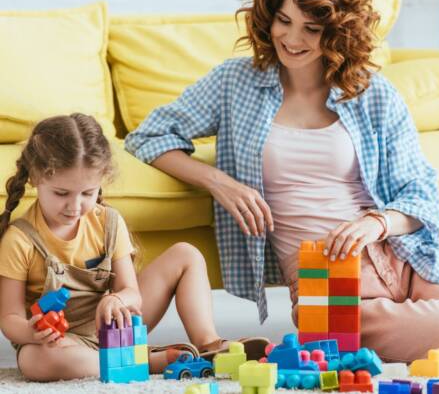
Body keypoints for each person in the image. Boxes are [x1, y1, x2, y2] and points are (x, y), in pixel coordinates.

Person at [125, 0, 439, 366]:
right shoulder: (236, 82)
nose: (291, 39)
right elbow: (150, 135)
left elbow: (420, 195)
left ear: (338, 31)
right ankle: (438, 324)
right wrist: (219, 182)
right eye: (283, 20)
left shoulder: (373, 94)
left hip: (403, 256)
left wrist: (376, 222)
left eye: (311, 29)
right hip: (325, 279)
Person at [0, 113, 268, 382]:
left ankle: (209, 344)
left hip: (115, 327)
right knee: (37, 363)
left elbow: (133, 294)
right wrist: (32, 333)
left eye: (87, 193)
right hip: (61, 343)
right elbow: (10, 317)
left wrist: (117, 298)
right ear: (35, 178)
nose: (75, 206)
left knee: (187, 254)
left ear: (101, 181)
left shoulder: (107, 221)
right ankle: (150, 360)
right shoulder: (19, 239)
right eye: (61, 194)